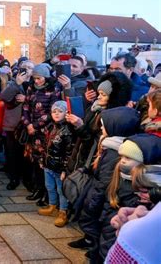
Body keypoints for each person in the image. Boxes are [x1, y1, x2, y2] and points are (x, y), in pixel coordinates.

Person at [69, 107, 140, 253]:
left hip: (103, 201)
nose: (101, 127)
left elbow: (104, 184)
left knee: (99, 233)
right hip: (100, 199)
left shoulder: (114, 153)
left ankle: (95, 251)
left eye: (103, 124)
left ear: (115, 126)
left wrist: (91, 205)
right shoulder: (110, 145)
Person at [22, 63, 61, 206]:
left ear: (45, 77)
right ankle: (37, 188)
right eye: (34, 78)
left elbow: (53, 111)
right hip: (31, 130)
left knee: (43, 163)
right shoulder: (31, 88)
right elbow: (25, 106)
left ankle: (46, 192)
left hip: (45, 131)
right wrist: (27, 124)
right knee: (33, 161)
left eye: (39, 78)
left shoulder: (54, 88)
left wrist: (36, 125)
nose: (36, 81)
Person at [37, 101, 74, 227]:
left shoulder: (67, 130)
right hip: (48, 164)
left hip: (59, 167)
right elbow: (45, 145)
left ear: (66, 113)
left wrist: (65, 169)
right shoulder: (50, 127)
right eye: (54, 111)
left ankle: (63, 211)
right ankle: (52, 205)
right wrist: (42, 160)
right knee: (49, 187)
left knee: (61, 190)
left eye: (60, 111)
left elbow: (69, 152)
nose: (57, 114)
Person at [0, 65, 32, 190]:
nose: (26, 70)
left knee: (26, 155)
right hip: (13, 124)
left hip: (28, 125)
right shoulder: (12, 83)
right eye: (24, 68)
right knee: (12, 153)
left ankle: (27, 179)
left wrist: (26, 99)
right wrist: (17, 83)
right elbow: (3, 96)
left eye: (29, 67)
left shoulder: (36, 83)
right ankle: (14, 178)